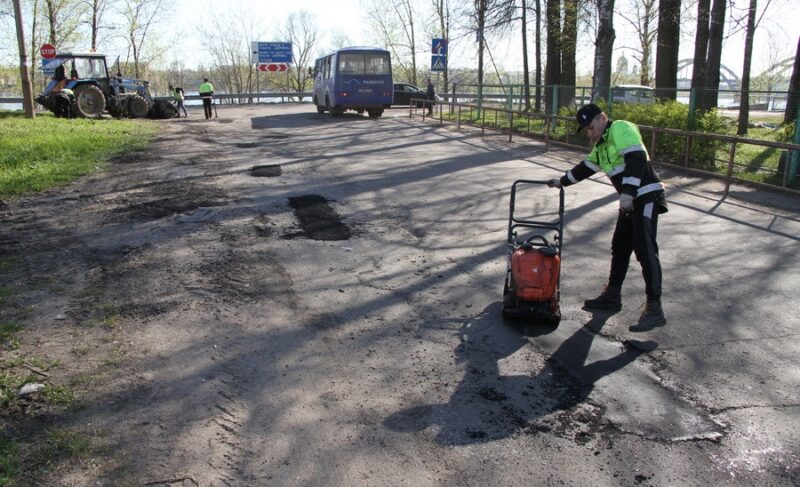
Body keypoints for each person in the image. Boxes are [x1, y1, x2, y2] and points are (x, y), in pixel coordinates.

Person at [548, 103, 668, 331]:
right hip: (630, 201)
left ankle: (655, 308)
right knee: (620, 246)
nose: (590, 133)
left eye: (591, 127)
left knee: (645, 249)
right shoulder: (601, 146)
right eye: (587, 131)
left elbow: (637, 158)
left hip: (645, 195)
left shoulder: (620, 128)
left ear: (602, 118)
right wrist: (561, 181)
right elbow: (585, 167)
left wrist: (628, 192)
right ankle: (612, 296)